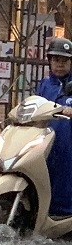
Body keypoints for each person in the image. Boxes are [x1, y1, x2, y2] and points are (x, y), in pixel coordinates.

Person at [35, 36, 72, 216]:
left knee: (66, 178)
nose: (60, 64)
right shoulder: (45, 85)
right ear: (50, 61)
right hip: (46, 143)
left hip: (68, 144)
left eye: (65, 60)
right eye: (56, 60)